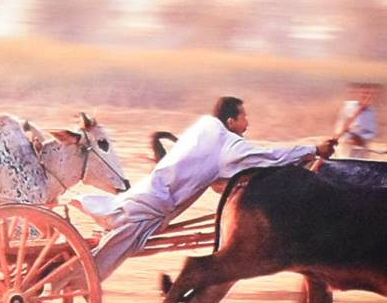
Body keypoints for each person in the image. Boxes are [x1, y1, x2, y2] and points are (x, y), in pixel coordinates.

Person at [83, 96, 335, 278]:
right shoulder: (226, 144)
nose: (247, 123)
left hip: (148, 190)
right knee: (115, 249)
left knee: (118, 232)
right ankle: (81, 276)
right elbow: (268, 157)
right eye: (244, 117)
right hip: (156, 202)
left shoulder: (204, 127)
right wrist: (313, 149)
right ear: (231, 121)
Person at [332, 81, 383, 156]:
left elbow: (371, 133)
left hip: (361, 147)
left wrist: (361, 139)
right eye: (364, 93)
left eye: (369, 94)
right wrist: (348, 137)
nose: (367, 96)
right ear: (359, 94)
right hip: (346, 145)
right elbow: (339, 127)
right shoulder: (348, 106)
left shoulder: (371, 112)